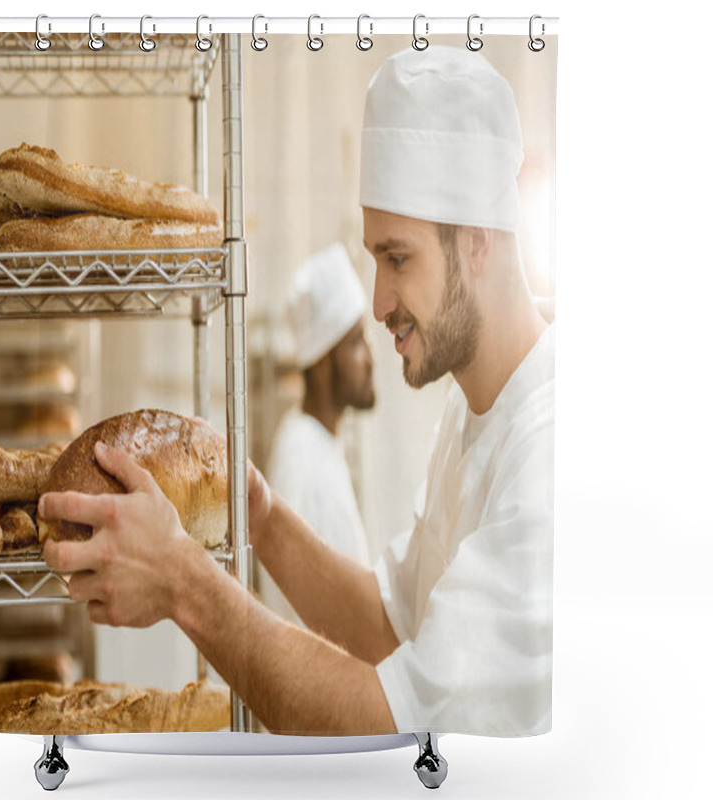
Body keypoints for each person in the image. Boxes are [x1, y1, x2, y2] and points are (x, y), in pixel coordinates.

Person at [40, 46, 554, 737]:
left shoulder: (550, 450)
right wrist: (261, 514)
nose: (378, 303)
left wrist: (185, 583)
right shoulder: (470, 410)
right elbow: (385, 623)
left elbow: (384, 719)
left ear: (478, 244)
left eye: (397, 258)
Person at [260, 242, 374, 625]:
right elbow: (324, 619)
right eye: (356, 342)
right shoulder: (304, 458)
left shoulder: (314, 442)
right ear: (323, 363)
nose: (370, 359)